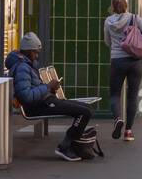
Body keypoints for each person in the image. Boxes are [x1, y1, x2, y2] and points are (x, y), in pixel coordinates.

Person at [6, 31, 94, 163]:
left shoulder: (25, 65)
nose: (36, 56)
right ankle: (65, 146)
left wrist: (51, 89)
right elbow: (26, 96)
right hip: (39, 106)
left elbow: (33, 89)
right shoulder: (22, 68)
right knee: (84, 113)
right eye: (35, 52)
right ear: (28, 51)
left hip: (46, 101)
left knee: (87, 108)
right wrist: (47, 87)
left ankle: (74, 143)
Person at [103, 0, 142, 142]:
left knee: (115, 94)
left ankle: (118, 119)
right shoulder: (135, 18)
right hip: (135, 62)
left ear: (113, 8)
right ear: (126, 6)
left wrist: (117, 44)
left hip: (117, 61)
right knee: (132, 96)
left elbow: (107, 41)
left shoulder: (108, 21)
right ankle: (128, 131)